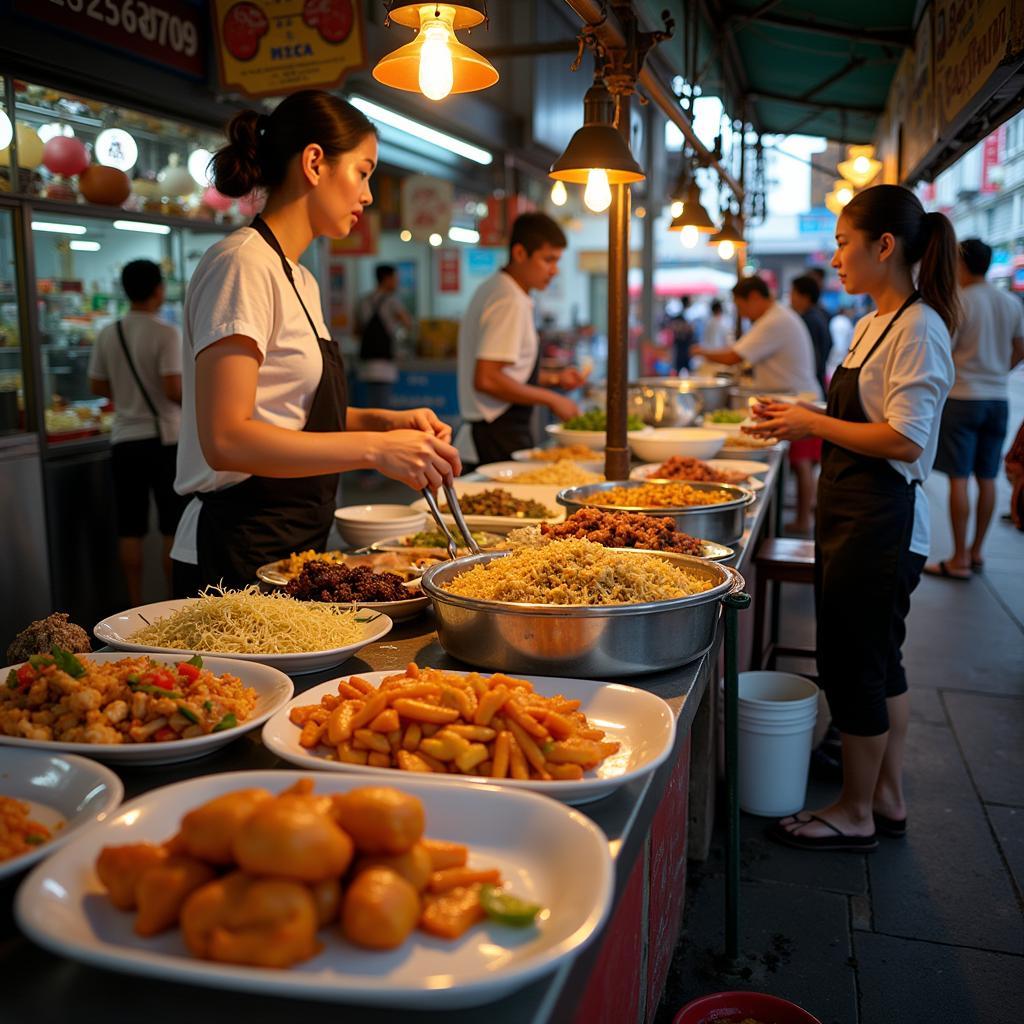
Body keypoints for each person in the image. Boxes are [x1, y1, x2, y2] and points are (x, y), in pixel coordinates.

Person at [169, 90, 460, 594]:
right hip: (233, 549)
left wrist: (386, 422)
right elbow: (226, 439)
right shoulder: (241, 265)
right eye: (363, 171)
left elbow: (286, 414)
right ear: (314, 162)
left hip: (291, 546)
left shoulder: (300, 278)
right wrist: (375, 449)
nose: (368, 195)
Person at [746, 184, 959, 852]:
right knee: (880, 663)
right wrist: (795, 418)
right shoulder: (872, 322)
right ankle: (887, 798)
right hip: (849, 513)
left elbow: (906, 439)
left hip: (882, 521)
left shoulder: (920, 329)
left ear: (884, 246)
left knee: (853, 666)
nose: (835, 258)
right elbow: (850, 415)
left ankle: (855, 810)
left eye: (844, 243)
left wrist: (814, 422)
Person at [924, 238, 1024, 580]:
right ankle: (978, 551)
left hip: (963, 398)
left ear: (961, 264)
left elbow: (941, 352)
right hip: (997, 399)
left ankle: (959, 557)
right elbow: (1020, 348)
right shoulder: (1010, 302)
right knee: (987, 477)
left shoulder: (958, 302)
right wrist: (998, 372)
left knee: (958, 478)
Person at [89, 259, 185, 605]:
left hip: (124, 440)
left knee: (129, 527)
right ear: (158, 290)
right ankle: (173, 603)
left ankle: (133, 603)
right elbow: (173, 389)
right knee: (171, 526)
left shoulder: (107, 332)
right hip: (163, 440)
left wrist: (128, 396)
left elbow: (97, 382)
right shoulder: (166, 332)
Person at [457, 212, 585, 464]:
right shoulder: (509, 300)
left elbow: (508, 371)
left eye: (557, 261)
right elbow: (487, 379)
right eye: (548, 260)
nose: (554, 270)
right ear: (519, 253)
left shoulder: (499, 288)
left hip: (493, 431)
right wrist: (552, 399)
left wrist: (554, 378)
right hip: (495, 435)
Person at [691, 275, 822, 398]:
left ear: (754, 297)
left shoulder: (774, 320)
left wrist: (701, 352)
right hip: (791, 396)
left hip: (798, 398)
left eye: (741, 307)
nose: (743, 315)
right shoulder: (775, 314)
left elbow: (733, 356)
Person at [354, 263, 413, 409]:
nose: (396, 282)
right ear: (386, 279)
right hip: (385, 358)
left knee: (370, 401)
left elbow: (356, 330)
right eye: (394, 278)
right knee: (383, 403)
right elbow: (407, 323)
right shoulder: (393, 301)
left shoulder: (363, 301)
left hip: (366, 359)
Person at [790, 274, 832, 394]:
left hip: (812, 384)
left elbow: (814, 356)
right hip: (818, 381)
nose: (790, 298)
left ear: (805, 297)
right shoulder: (819, 315)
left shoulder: (808, 320)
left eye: (793, 293)